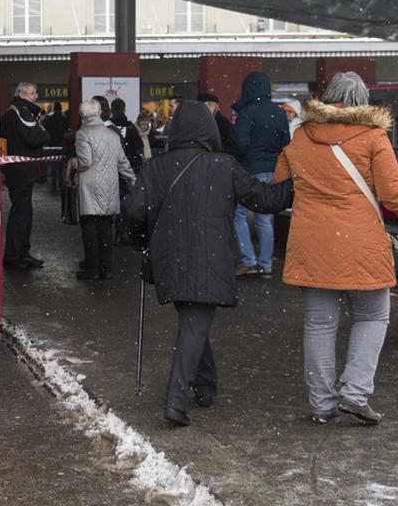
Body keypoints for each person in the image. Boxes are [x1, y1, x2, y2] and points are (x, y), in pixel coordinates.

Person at [124, 101, 293, 427]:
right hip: (209, 257)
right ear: (209, 130)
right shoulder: (223, 165)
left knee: (193, 320)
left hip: (169, 258)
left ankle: (205, 385)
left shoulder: (154, 167)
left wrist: (141, 241)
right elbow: (265, 200)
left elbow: (132, 211)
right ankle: (175, 401)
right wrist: (296, 184)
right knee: (195, 322)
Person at [274, 72, 398, 425]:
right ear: (362, 101)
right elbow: (393, 193)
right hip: (360, 242)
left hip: (312, 242)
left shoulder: (300, 136)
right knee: (373, 315)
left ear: (328, 98)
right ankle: (355, 394)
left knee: (318, 325)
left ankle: (321, 404)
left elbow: (280, 182)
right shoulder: (373, 137)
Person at [230, 72, 291, 277]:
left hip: (249, 169)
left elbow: (240, 142)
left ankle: (248, 260)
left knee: (238, 215)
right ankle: (266, 265)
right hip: (272, 169)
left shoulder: (248, 112)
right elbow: (286, 144)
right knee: (264, 219)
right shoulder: (279, 112)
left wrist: (238, 156)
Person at [74, 100, 134, 280]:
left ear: (83, 115)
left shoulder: (83, 134)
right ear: (99, 113)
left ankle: (92, 270)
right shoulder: (112, 135)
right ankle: (106, 269)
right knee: (106, 227)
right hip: (110, 185)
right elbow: (123, 163)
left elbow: (85, 162)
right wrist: (134, 181)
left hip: (90, 186)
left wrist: (73, 162)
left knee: (90, 227)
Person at [0, 82, 51, 270]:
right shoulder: (21, 112)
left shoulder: (13, 112)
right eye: (31, 93)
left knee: (23, 213)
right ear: (20, 94)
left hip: (17, 171)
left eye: (35, 93)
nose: (35, 97)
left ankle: (21, 253)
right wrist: (44, 134)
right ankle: (15, 255)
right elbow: (35, 137)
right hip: (21, 172)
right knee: (21, 214)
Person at [108, 98, 145, 171]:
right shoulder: (130, 127)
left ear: (111, 111)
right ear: (124, 110)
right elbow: (139, 147)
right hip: (128, 165)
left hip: (110, 166)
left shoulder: (107, 126)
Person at [42, 102, 71, 195]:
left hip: (52, 144)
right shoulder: (64, 118)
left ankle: (54, 185)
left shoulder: (49, 118)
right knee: (62, 165)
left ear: (54, 108)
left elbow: (45, 128)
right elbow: (68, 129)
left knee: (54, 165)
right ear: (61, 108)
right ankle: (62, 184)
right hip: (62, 144)